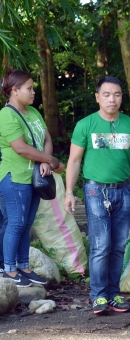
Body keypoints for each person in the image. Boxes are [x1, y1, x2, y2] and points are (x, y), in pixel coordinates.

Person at [64, 76, 130, 314]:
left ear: (122, 97)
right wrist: (69, 192)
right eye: (107, 94)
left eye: (118, 94)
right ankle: (98, 296)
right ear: (97, 97)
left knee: (119, 246)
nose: (113, 99)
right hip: (95, 191)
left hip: (123, 191)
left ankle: (113, 294)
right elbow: (74, 160)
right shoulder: (85, 125)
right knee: (101, 245)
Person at [0, 69, 61, 287]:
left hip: (34, 177)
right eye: (29, 88)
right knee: (16, 223)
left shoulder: (33, 113)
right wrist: (51, 160)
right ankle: (8, 269)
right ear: (14, 91)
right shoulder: (6, 115)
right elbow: (21, 148)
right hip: (14, 177)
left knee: (26, 224)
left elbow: (46, 138)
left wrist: (46, 160)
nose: (33, 92)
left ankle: (24, 266)